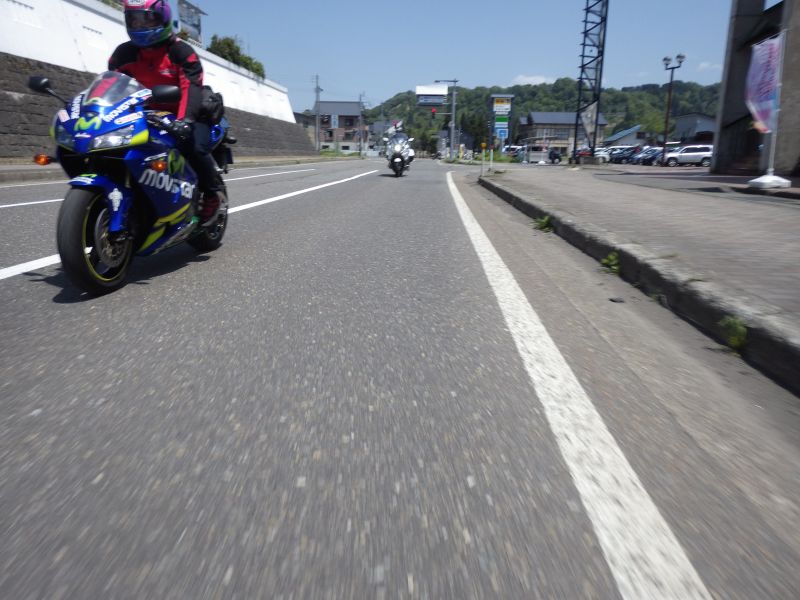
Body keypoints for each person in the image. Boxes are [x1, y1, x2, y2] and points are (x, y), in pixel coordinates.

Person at [109, 0, 223, 226]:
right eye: (135, 19)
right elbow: (112, 86)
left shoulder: (181, 52)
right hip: (146, 115)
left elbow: (191, 87)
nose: (140, 25)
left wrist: (185, 121)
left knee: (195, 147)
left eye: (147, 19)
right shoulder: (123, 54)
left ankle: (212, 195)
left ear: (163, 18)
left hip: (186, 114)